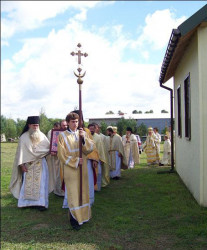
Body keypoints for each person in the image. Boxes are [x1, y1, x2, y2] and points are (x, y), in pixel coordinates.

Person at [57, 112, 95, 230]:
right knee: (73, 193)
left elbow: (89, 149)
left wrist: (84, 139)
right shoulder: (62, 136)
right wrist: (75, 161)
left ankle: (83, 216)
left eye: (77, 121)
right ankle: (74, 219)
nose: (75, 124)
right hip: (71, 168)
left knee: (83, 191)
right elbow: (61, 154)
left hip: (82, 168)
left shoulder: (82, 133)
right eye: (73, 122)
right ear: (68, 122)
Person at [9, 116, 53, 211]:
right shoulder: (23, 137)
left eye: (37, 125)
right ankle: (27, 203)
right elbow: (20, 153)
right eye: (34, 125)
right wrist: (21, 165)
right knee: (28, 185)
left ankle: (41, 204)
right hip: (28, 165)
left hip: (41, 164)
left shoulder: (42, 136)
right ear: (29, 125)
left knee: (41, 185)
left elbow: (48, 148)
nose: (36, 127)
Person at [47, 122, 65, 197]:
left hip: (64, 156)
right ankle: (57, 190)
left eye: (66, 125)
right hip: (55, 156)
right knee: (56, 172)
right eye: (63, 125)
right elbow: (50, 143)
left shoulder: (66, 132)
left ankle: (63, 190)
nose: (64, 126)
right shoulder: (51, 132)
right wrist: (52, 150)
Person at [88, 123, 107, 191]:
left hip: (96, 158)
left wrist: (98, 158)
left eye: (93, 129)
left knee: (98, 173)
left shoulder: (98, 137)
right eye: (90, 129)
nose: (92, 130)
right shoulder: (86, 136)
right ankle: (90, 188)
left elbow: (100, 148)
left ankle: (97, 187)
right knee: (89, 174)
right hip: (88, 159)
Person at [93, 123, 110, 187]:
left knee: (100, 171)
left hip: (101, 155)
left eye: (96, 128)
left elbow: (104, 147)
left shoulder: (103, 137)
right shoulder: (89, 136)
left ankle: (100, 183)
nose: (95, 129)